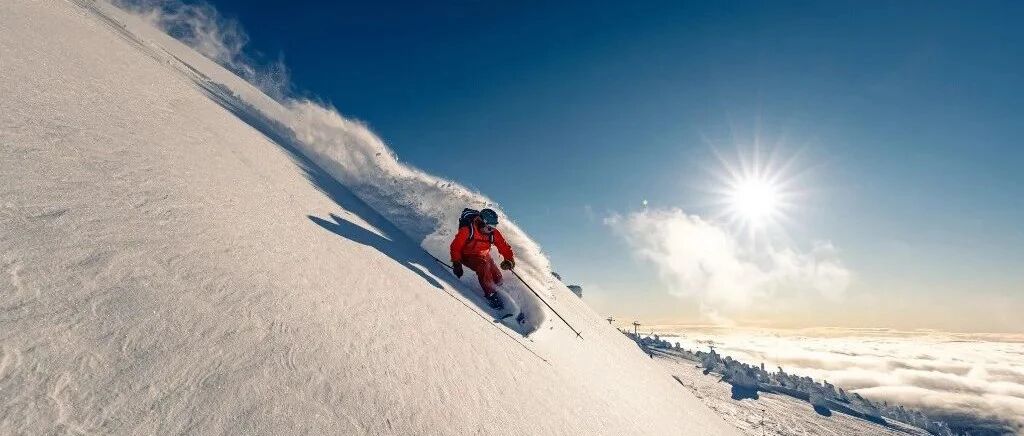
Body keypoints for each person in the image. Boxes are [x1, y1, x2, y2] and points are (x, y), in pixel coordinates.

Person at [450, 208, 515, 309]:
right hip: (467, 256)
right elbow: (455, 247)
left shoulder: (493, 233)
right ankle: (492, 296)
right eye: (489, 227)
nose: (492, 230)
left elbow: (504, 246)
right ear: (481, 223)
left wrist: (509, 260)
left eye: (494, 227)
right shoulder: (468, 230)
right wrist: (456, 263)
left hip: (483, 255)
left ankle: (501, 292)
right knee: (483, 266)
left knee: (497, 277)